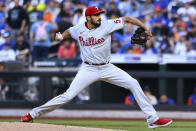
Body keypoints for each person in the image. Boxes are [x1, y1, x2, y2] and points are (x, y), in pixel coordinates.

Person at [21, 6, 172, 128]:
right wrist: (61, 37)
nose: (100, 17)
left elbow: (127, 19)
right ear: (88, 18)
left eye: (100, 14)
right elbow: (69, 32)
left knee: (133, 83)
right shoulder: (79, 29)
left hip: (107, 67)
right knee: (67, 96)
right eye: (96, 15)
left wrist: (145, 27)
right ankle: (33, 114)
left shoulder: (107, 25)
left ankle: (152, 119)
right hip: (88, 69)